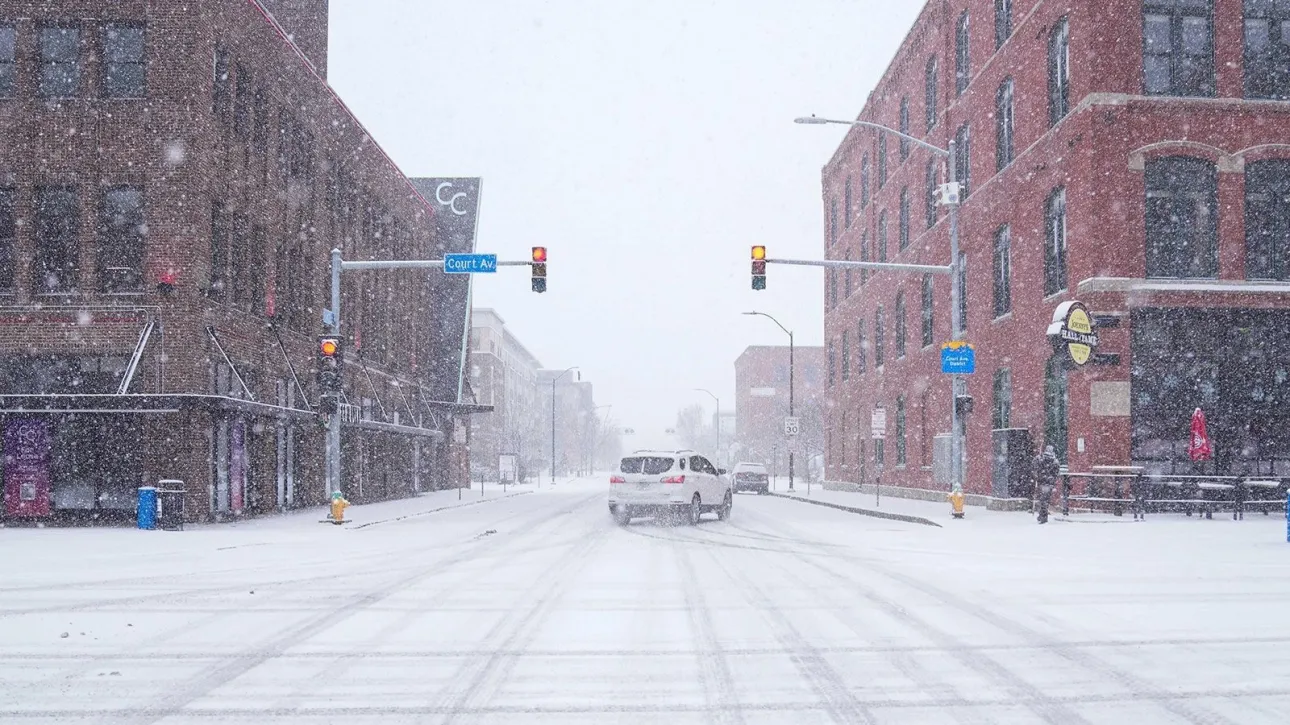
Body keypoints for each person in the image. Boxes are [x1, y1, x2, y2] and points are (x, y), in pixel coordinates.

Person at [1034, 445, 1060, 524]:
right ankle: (1043, 516)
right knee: (1045, 500)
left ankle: (1042, 516)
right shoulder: (1055, 461)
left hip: (1041, 482)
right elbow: (1056, 472)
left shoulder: (1040, 458)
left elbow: (1035, 467)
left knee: (1042, 499)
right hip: (1049, 483)